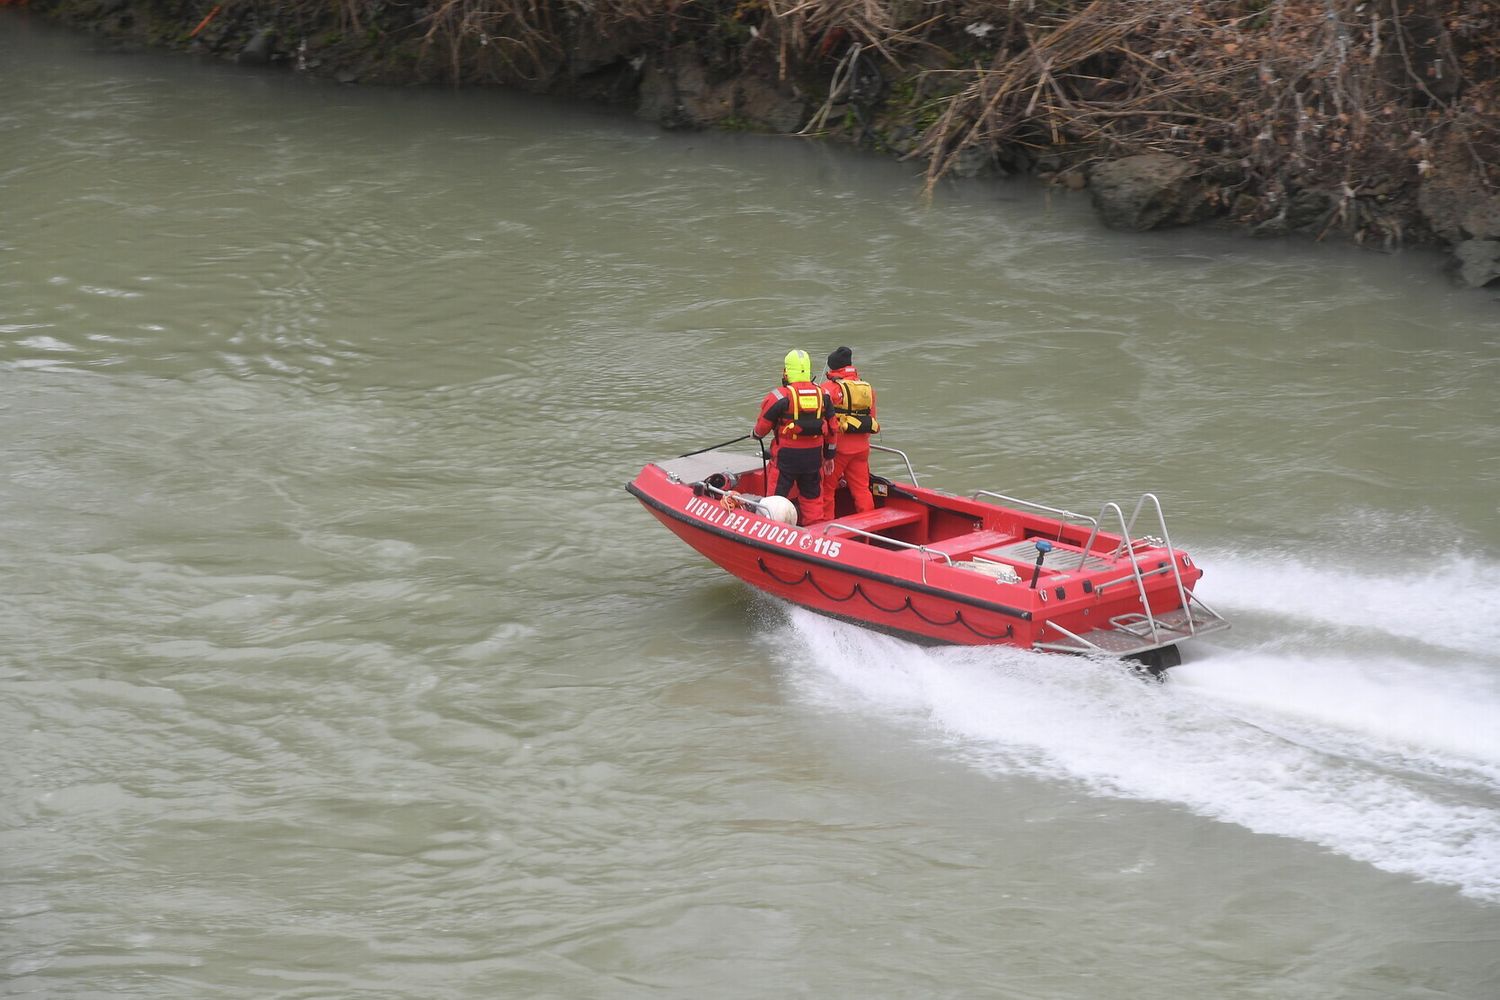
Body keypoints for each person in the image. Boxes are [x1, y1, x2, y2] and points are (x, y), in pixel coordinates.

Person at [752, 349, 836, 526]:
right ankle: (815, 534)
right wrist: (829, 457)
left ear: (787, 371)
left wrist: (755, 435)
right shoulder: (824, 395)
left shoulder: (779, 396)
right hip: (814, 458)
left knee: (775, 500)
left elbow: (762, 428)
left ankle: (772, 531)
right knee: (812, 498)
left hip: (786, 458)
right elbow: (833, 429)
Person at [821, 345, 880, 520]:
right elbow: (872, 417)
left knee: (827, 490)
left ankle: (827, 531)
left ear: (833, 367)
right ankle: (869, 528)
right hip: (861, 449)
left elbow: (824, 424)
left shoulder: (827, 389)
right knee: (862, 490)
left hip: (837, 449)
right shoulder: (867, 389)